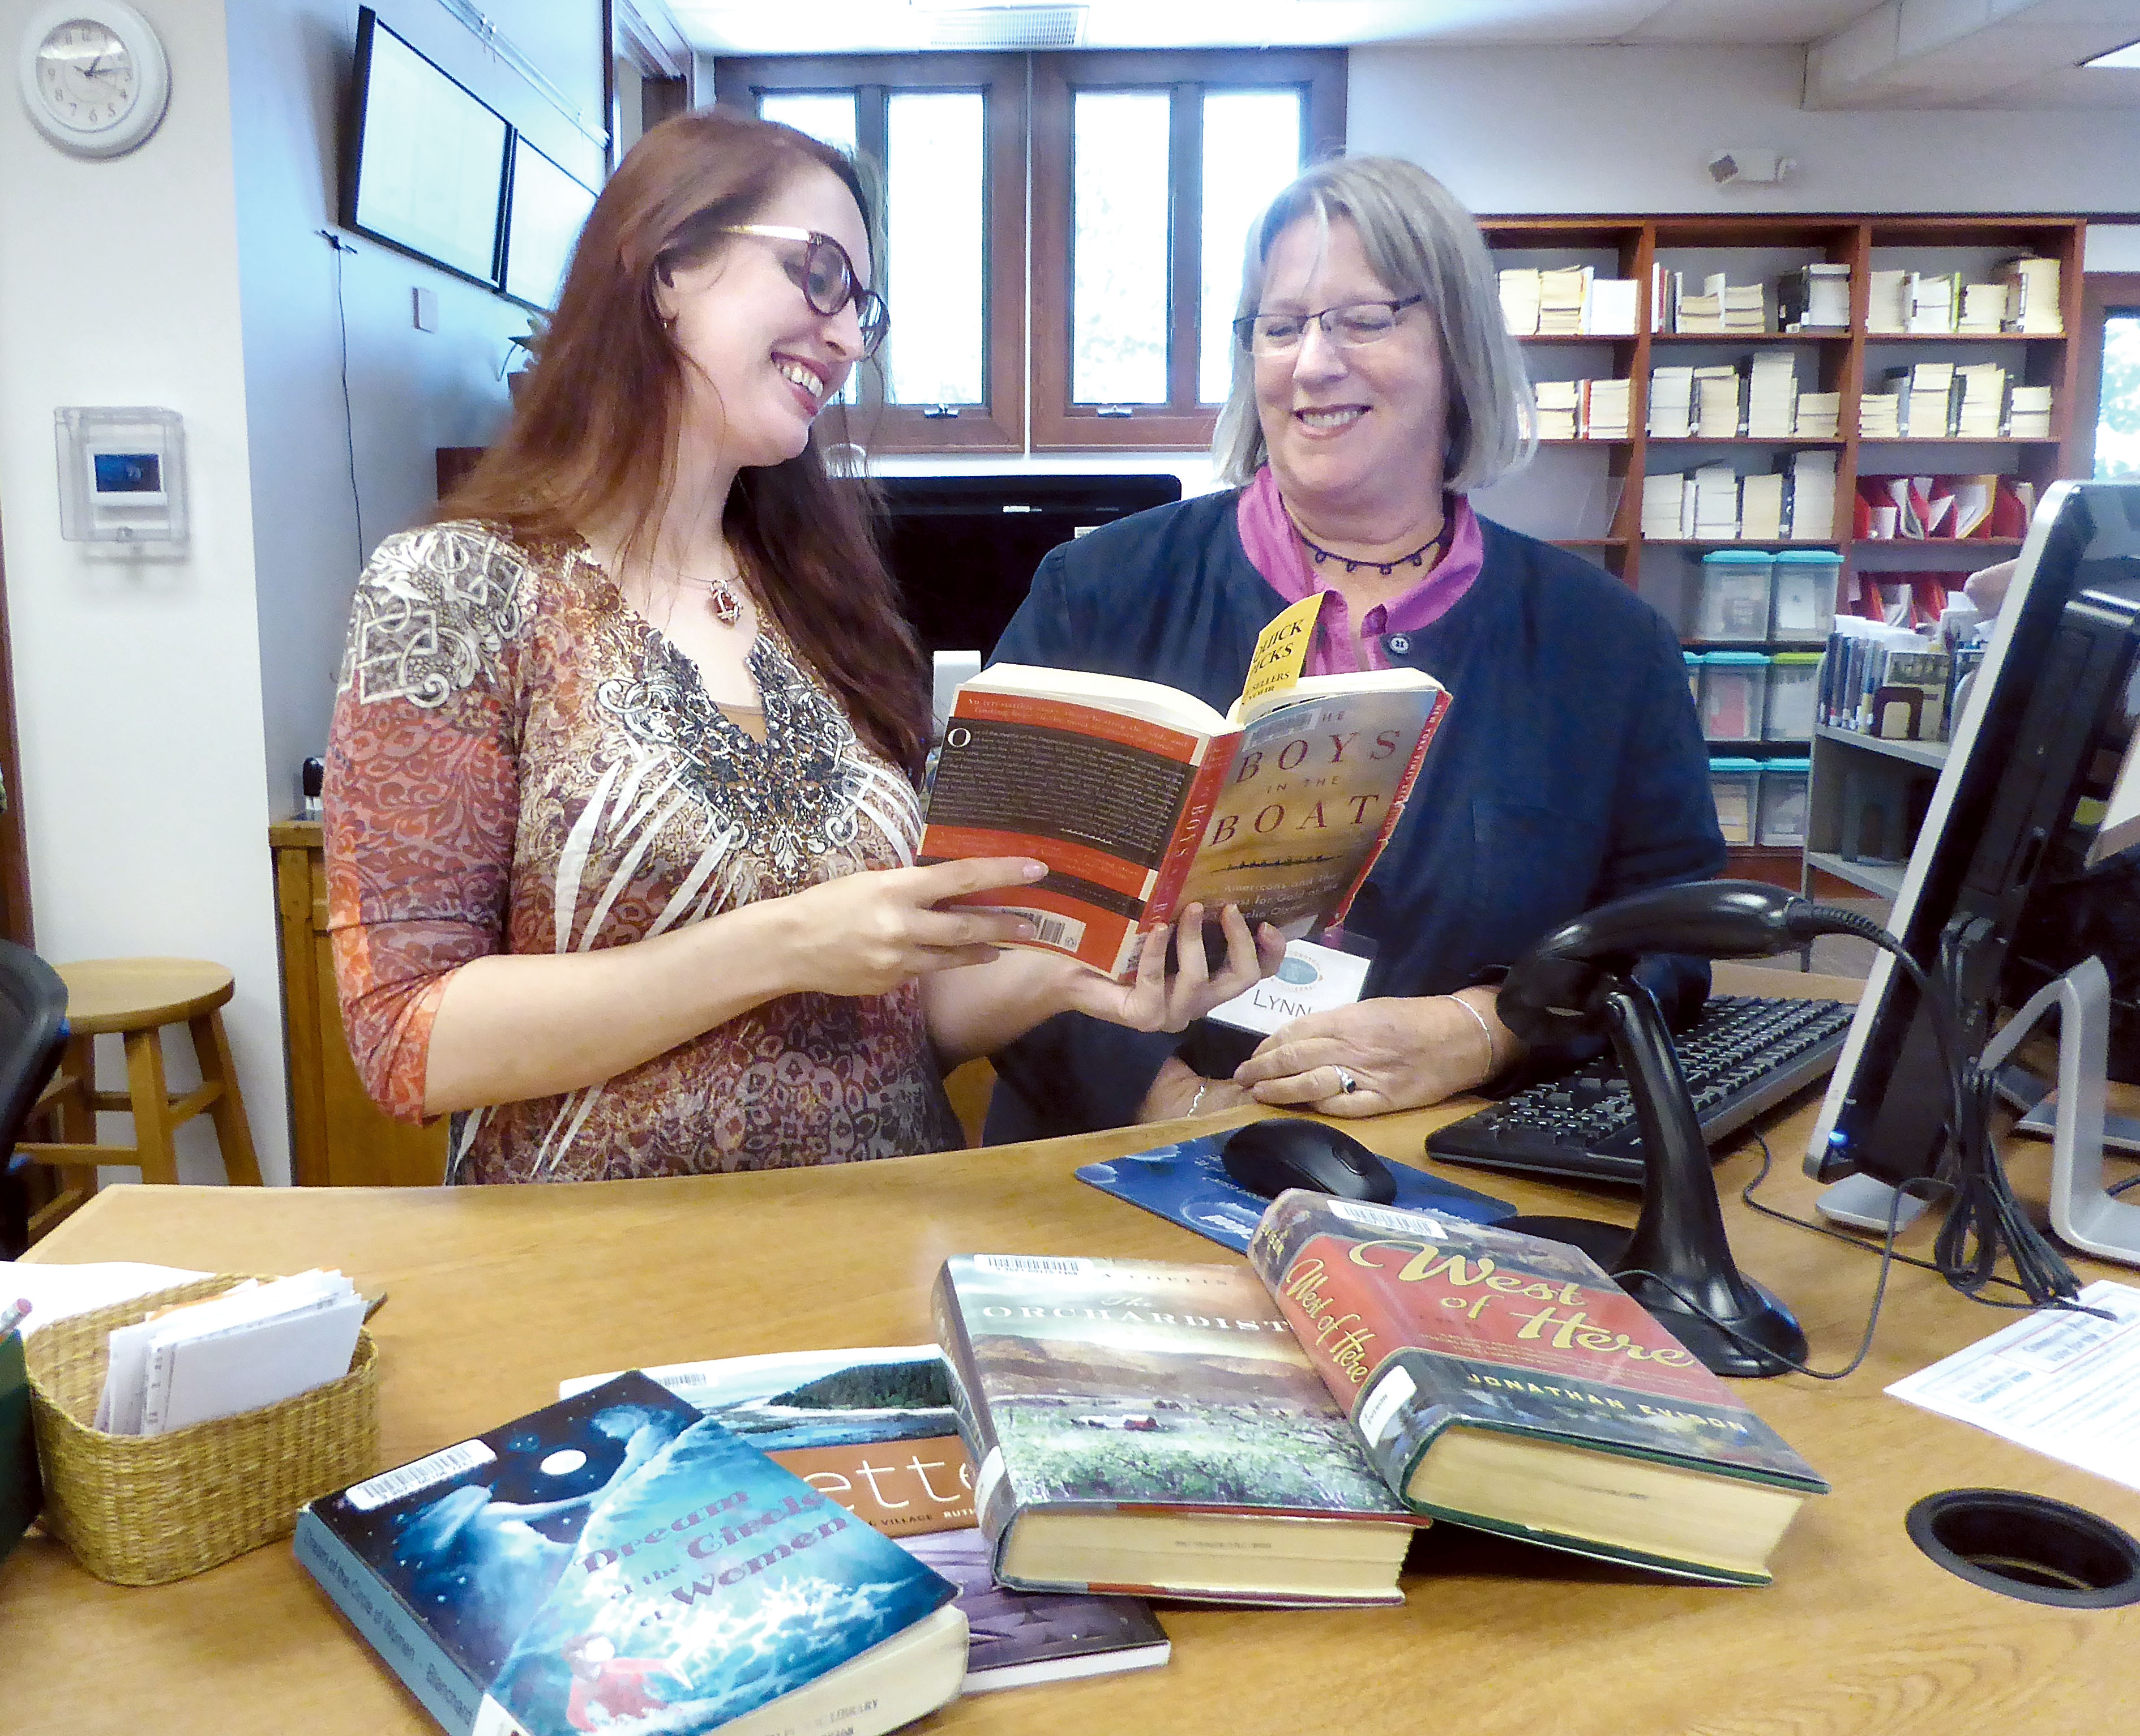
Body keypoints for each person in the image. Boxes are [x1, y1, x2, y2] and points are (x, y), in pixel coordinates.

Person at [325, 110, 1278, 1185]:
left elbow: (901, 1020)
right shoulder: (455, 587)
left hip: (874, 1254)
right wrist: (782, 946)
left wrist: (1084, 977)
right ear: (669, 260)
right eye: (820, 274)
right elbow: (405, 1036)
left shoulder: (819, 603)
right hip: (593, 1279)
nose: (846, 337)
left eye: (861, 307)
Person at [984, 155, 1726, 1144]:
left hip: (1442, 1173)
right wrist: (1182, 1107)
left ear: (1456, 345)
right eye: (1281, 327)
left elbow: (1674, 937)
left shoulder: (1608, 645)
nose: (1311, 363)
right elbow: (992, 916)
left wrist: (1486, 1030)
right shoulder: (1098, 595)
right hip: (1109, 1161)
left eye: (1364, 320)